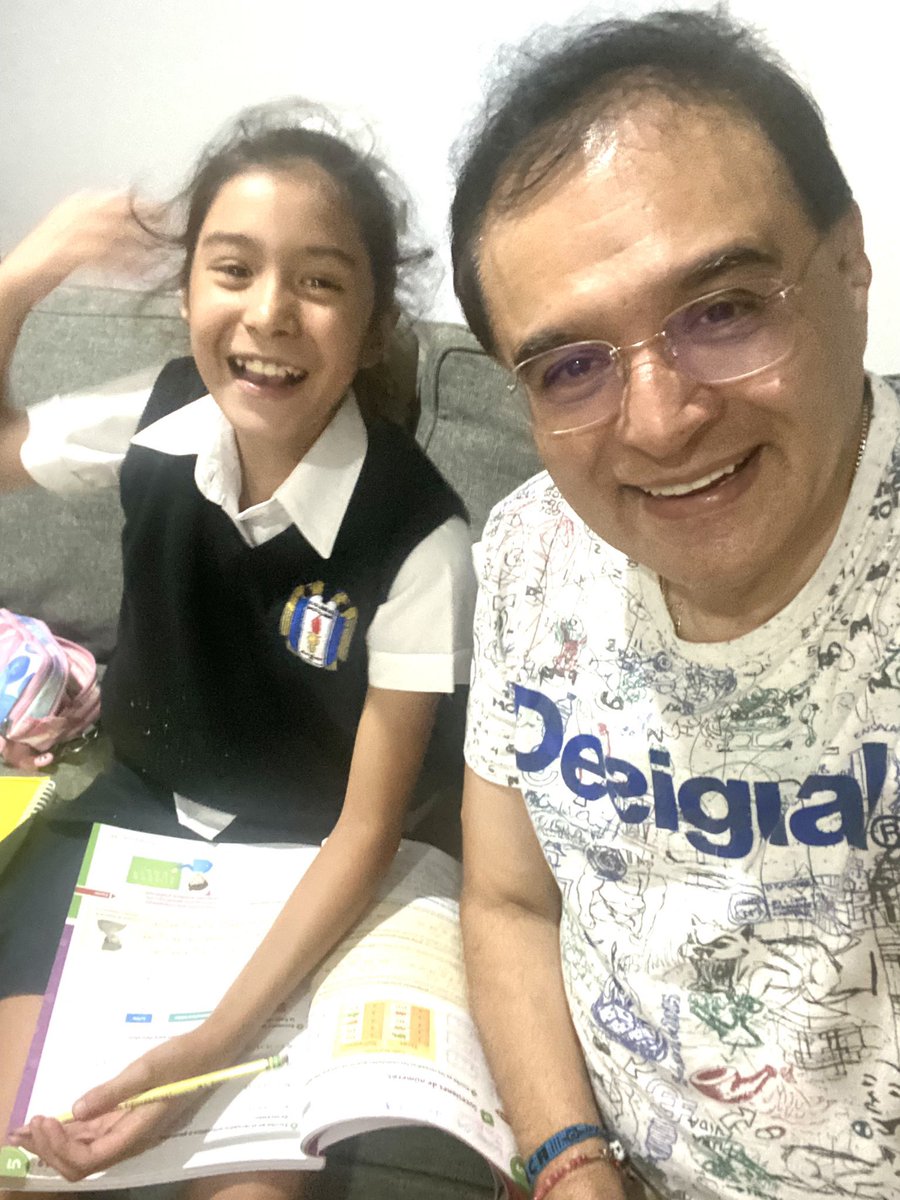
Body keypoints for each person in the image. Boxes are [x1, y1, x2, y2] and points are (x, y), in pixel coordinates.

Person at [451, 9, 900, 1200]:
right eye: (571, 367)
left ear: (850, 265)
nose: (657, 423)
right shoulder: (530, 552)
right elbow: (508, 900)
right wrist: (566, 1164)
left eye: (724, 309)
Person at [0, 104, 475, 1197]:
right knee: (29, 1152)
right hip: (124, 830)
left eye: (319, 280)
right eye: (232, 269)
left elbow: (368, 827)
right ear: (187, 294)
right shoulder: (157, 418)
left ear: (372, 325)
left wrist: (214, 1042)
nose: (269, 313)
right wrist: (25, 275)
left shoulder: (422, 539)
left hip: (306, 870)